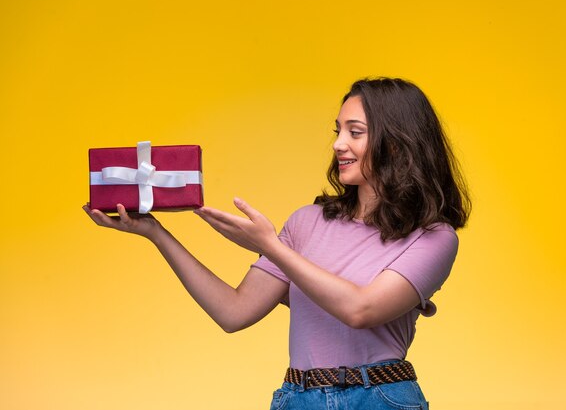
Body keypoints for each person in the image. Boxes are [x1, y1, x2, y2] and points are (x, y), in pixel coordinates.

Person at [83, 77, 471, 410]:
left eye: (355, 132)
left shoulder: (434, 237)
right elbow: (233, 313)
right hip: (299, 397)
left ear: (396, 145)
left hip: (381, 398)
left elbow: (361, 309)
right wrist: (156, 234)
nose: (338, 144)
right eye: (336, 130)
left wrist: (272, 247)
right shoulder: (307, 222)